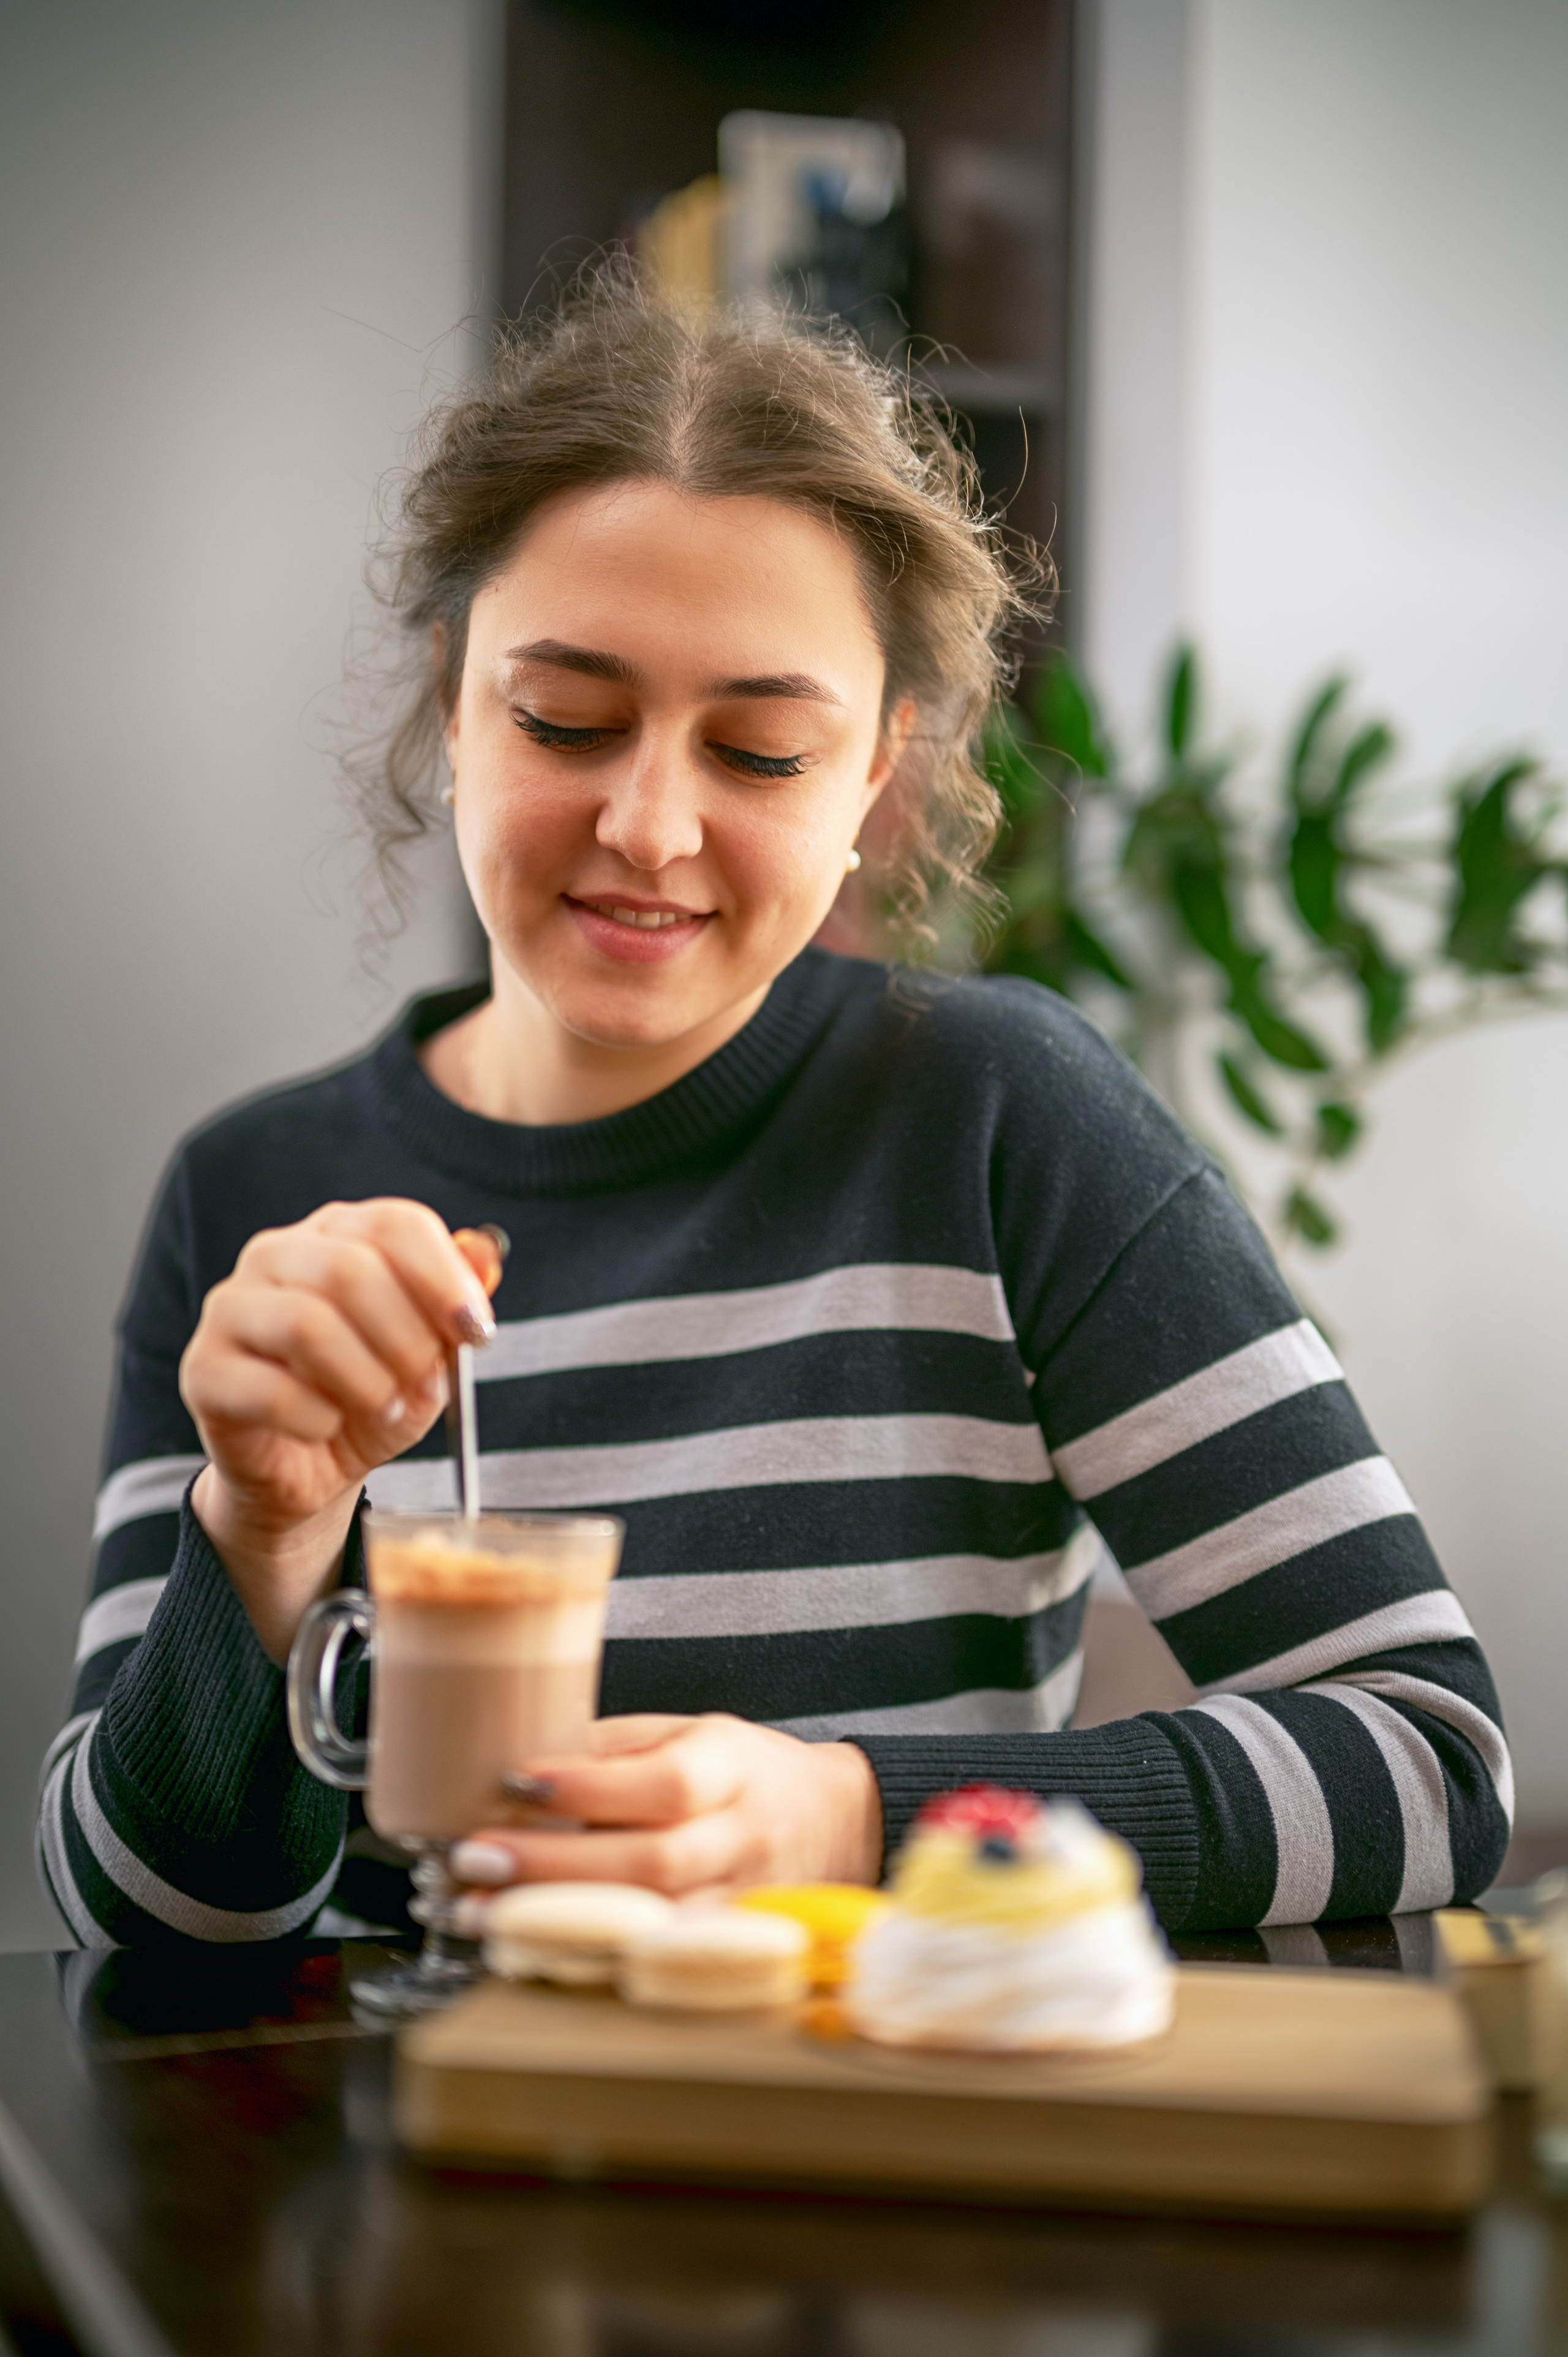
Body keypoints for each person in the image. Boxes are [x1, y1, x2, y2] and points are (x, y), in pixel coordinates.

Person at [39, 280, 1510, 1950]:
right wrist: (265, 1537)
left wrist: (850, 1816)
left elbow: (1433, 1759)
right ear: (454, 700)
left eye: (759, 753)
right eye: (566, 722)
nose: (652, 825)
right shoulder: (257, 1196)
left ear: (879, 774)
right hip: (405, 2172)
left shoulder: (1000, 1122)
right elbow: (143, 1922)